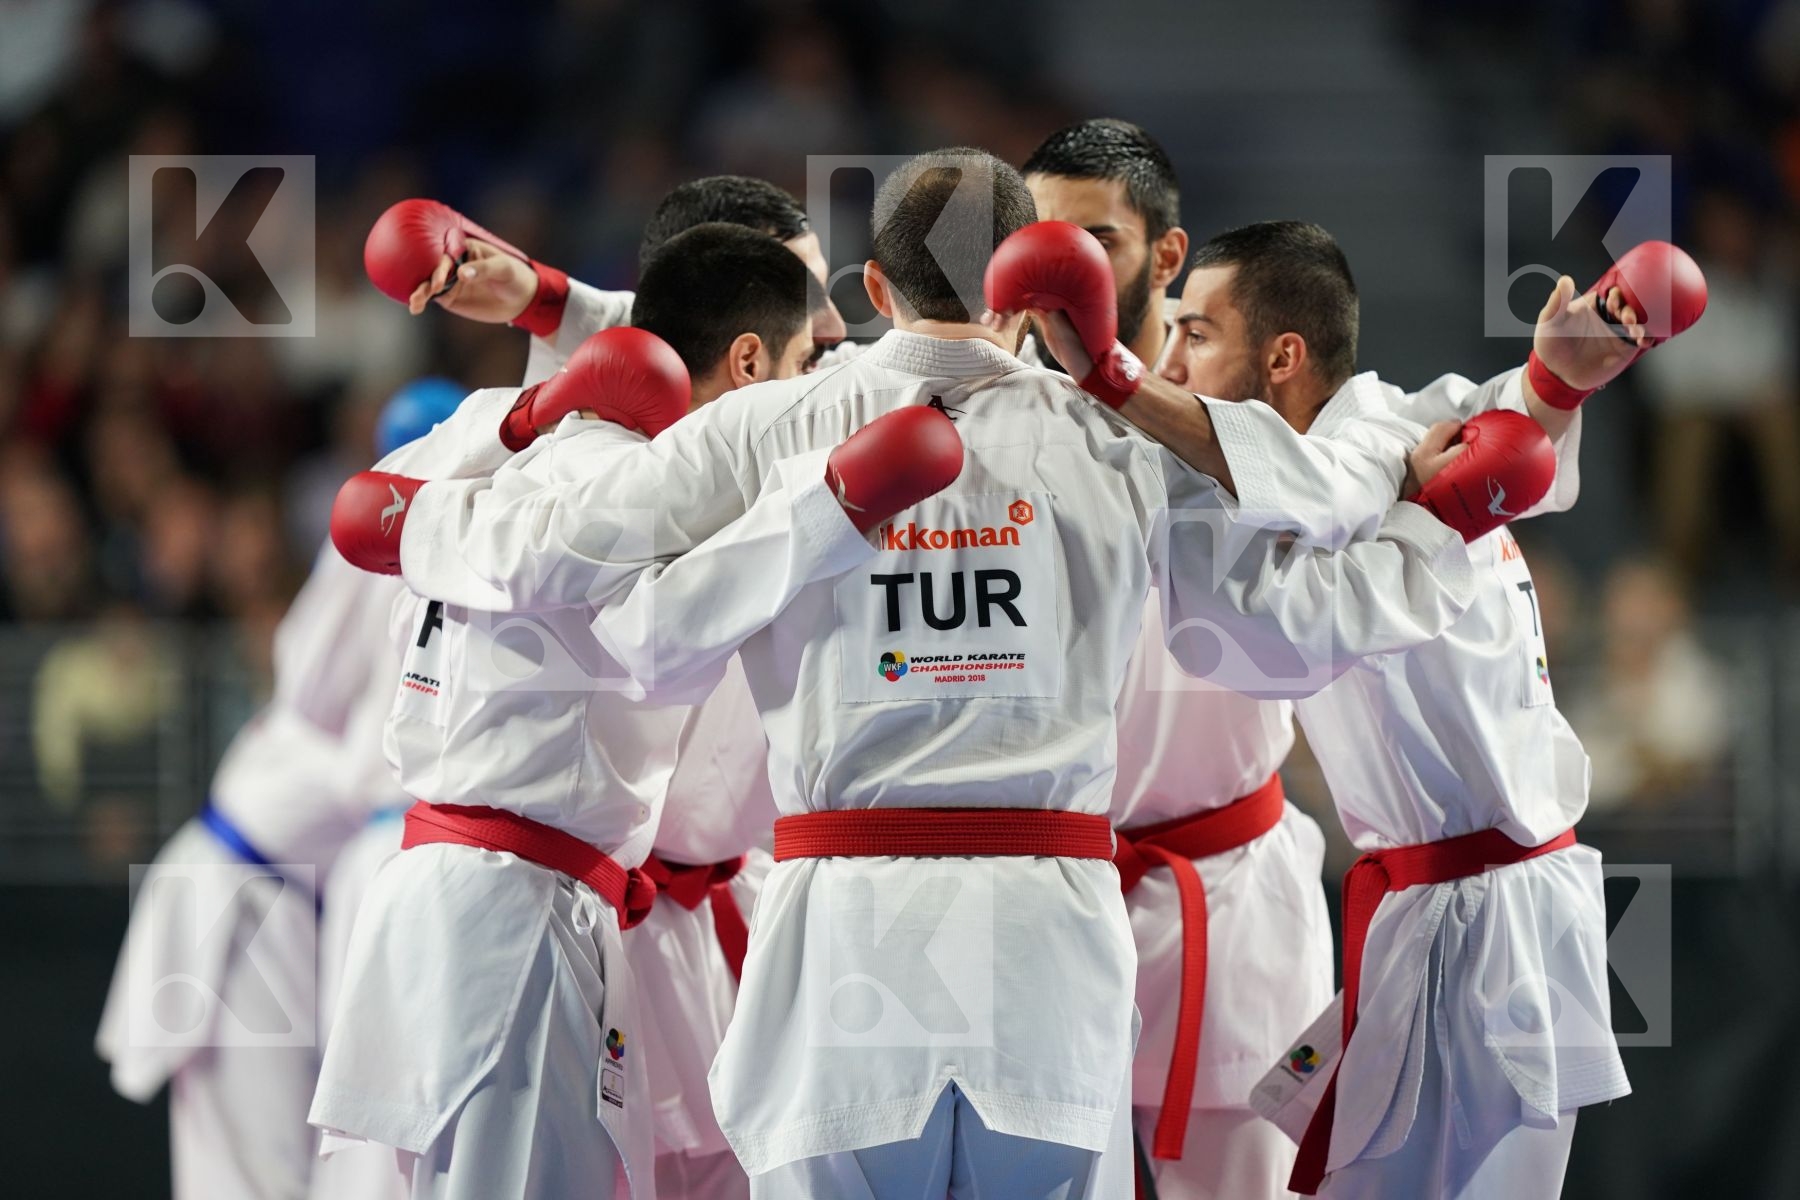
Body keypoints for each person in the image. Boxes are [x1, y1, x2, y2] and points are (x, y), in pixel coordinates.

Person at [330, 149, 1526, 1198]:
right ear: (1036, 284)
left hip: (841, 950)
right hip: (1048, 955)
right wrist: (1432, 520)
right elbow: (1283, 633)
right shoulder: (1119, 433)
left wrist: (417, 521)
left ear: (872, 292)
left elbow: (623, 615)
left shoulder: (774, 424)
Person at [1021, 222, 1705, 1197]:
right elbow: (1484, 413)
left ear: (1283, 357)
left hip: (1477, 924)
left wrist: (1115, 378)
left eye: (1197, 336)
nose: (1177, 359)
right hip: (1454, 909)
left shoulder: (1361, 461)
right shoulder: (1406, 430)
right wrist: (1555, 382)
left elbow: (1296, 528)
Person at [313, 223, 963, 1200]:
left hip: (477, 893)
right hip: (513, 912)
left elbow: (368, 513)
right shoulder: (636, 479)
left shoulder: (498, 430)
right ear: (749, 364)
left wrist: (545, 320)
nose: (813, 384)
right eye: (803, 360)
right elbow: (648, 631)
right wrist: (836, 504)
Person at [1020, 117, 1333, 1199]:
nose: (1056, 266)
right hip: (1053, 893)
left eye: (1092, 239)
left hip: (1231, 898)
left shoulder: (1249, 395)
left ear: (1164, 255)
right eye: (1036, 237)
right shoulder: (981, 406)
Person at [93, 378, 463, 1200]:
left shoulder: (431, 551)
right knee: (251, 1169)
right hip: (237, 904)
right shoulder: (373, 537)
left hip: (288, 898)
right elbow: (313, 682)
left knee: (304, 1154)